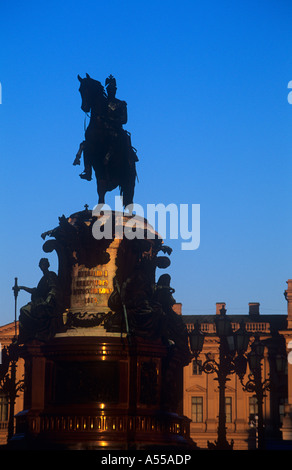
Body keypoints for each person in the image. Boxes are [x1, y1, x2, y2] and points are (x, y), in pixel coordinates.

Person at [18, 258, 60, 342]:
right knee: (23, 310)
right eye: (41, 265)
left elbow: (53, 289)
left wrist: (47, 301)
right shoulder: (43, 278)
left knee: (25, 310)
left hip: (47, 304)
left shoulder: (51, 275)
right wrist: (22, 287)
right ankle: (26, 336)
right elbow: (35, 291)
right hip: (39, 302)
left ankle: (33, 334)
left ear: (48, 265)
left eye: (44, 264)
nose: (42, 266)